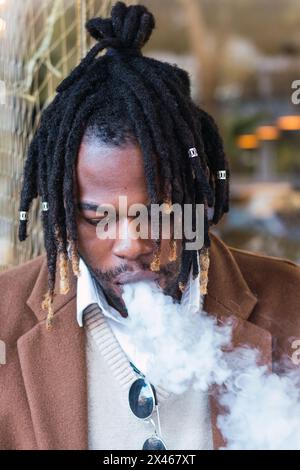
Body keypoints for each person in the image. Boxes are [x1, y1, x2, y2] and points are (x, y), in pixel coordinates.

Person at [0, 1, 299, 450]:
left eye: (157, 210)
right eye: (97, 216)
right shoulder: (4, 321)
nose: (132, 243)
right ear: (61, 213)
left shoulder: (291, 303)